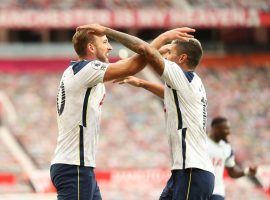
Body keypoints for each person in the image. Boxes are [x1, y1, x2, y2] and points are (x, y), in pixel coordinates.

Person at [50, 25, 195, 200]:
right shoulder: (85, 70)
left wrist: (154, 51)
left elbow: (129, 62)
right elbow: (133, 65)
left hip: (77, 166)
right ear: (91, 47)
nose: (110, 47)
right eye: (104, 42)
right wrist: (162, 38)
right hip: (74, 167)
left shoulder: (77, 71)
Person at [108, 30, 215, 199]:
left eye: (169, 53)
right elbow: (168, 93)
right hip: (185, 171)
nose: (164, 56)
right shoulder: (191, 82)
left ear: (182, 59)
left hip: (193, 172)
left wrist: (107, 31)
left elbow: (146, 50)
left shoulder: (182, 77)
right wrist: (142, 82)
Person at [207, 117, 257, 200]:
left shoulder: (227, 148)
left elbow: (232, 172)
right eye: (225, 129)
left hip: (217, 191)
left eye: (229, 129)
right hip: (199, 187)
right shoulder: (202, 143)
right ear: (214, 128)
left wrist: (247, 171)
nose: (228, 132)